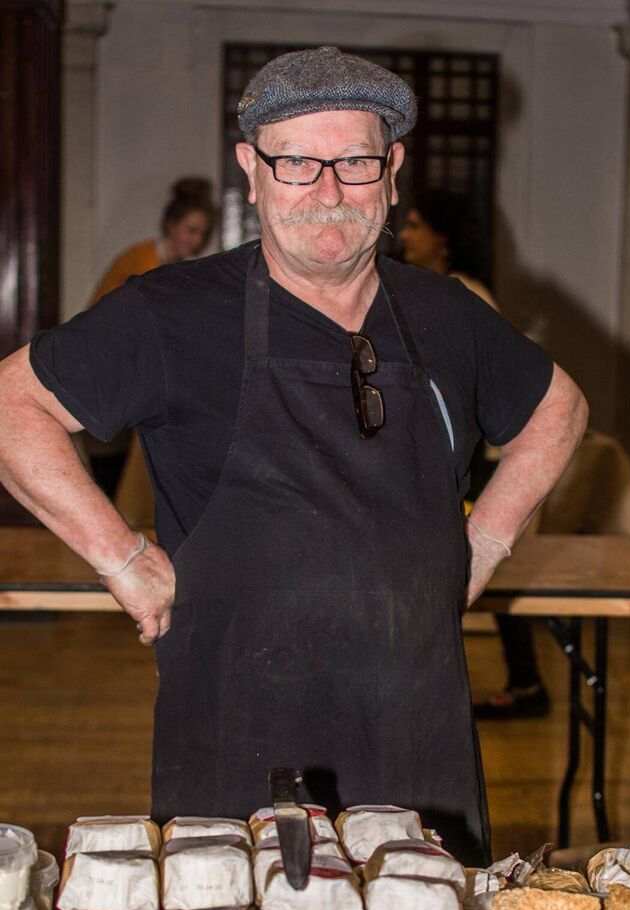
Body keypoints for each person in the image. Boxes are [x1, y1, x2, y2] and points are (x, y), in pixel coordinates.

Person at [0, 46, 587, 865]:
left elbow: (557, 407)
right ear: (251, 168)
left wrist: (483, 540)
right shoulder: (171, 313)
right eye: (296, 163)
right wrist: (123, 556)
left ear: (392, 171)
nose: (326, 192)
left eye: (353, 162)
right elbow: (11, 405)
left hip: (417, 728)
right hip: (238, 731)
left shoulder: (444, 313)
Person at [400, 189, 550, 719]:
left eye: (416, 223)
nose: (408, 234)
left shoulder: (465, 296)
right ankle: (520, 680)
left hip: (473, 464)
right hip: (458, 461)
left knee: (459, 574)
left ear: (441, 236)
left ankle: (520, 682)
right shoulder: (434, 290)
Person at [85, 179, 216, 498]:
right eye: (190, 229)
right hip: (106, 373)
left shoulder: (175, 270)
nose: (196, 241)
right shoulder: (143, 261)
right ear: (171, 225)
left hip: (131, 378)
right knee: (110, 472)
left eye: (201, 233)